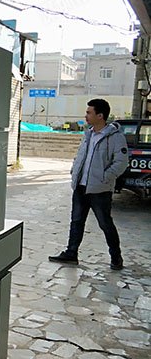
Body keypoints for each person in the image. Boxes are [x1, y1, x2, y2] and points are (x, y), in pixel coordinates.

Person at [49, 98, 129, 270]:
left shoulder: (115, 137)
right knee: (76, 221)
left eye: (89, 112)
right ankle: (71, 253)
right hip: (81, 186)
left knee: (105, 223)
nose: (86, 116)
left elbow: (121, 162)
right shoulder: (88, 134)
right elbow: (80, 156)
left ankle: (116, 257)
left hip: (100, 189)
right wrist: (74, 170)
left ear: (100, 116)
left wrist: (105, 177)